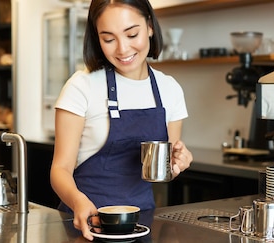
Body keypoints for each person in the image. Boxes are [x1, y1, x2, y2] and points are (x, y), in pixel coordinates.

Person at [49, 0, 193, 240]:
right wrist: (78, 201)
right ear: (97, 39)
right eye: (108, 39)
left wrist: (178, 162)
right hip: (87, 222)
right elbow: (60, 169)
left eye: (132, 34)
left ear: (149, 26)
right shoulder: (82, 86)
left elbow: (166, 168)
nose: (123, 49)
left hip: (142, 222)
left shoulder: (170, 89)